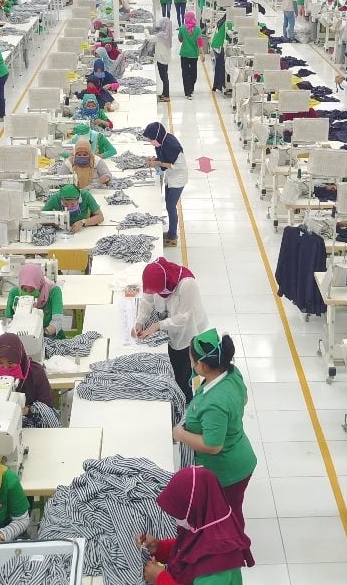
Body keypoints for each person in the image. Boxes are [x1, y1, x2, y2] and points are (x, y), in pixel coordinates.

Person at [171, 330, 257, 526]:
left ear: (201, 365)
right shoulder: (232, 374)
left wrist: (180, 434)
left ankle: (234, 552)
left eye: (192, 361)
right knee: (230, 511)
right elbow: (243, 400)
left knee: (225, 518)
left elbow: (213, 445)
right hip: (239, 453)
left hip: (227, 470)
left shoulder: (214, 403)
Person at [136, 465, 254, 585]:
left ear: (193, 508)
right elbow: (190, 551)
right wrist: (159, 548)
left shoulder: (215, 567)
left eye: (178, 512)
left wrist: (160, 579)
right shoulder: (206, 525)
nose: (174, 517)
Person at [134, 258, 209, 402]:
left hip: (187, 331)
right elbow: (147, 301)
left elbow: (183, 317)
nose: (157, 293)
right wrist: (140, 321)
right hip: (169, 322)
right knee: (170, 367)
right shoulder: (154, 279)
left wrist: (157, 326)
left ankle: (185, 402)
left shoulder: (187, 284)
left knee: (182, 373)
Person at [0, 332, 56, 417]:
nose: (5, 368)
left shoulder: (36, 372)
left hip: (31, 421)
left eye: (11, 363)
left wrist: (28, 410)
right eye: (0, 363)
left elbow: (48, 406)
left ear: (19, 358)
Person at [143, 122, 189, 248]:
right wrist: (155, 159)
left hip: (178, 178)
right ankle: (170, 232)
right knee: (169, 205)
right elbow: (163, 157)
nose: (151, 141)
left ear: (156, 136)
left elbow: (177, 165)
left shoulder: (172, 146)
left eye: (151, 139)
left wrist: (158, 163)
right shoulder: (162, 141)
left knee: (170, 206)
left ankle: (173, 236)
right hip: (171, 177)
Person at [3, 263, 64, 336]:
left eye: (32, 290)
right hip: (21, 336)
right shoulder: (15, 293)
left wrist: (41, 334)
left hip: (51, 337)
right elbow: (8, 320)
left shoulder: (54, 291)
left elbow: (57, 322)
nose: (28, 293)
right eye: (24, 289)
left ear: (40, 285)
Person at [177, 11, 203, 99]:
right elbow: (199, 42)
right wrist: (202, 54)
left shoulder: (182, 28)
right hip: (194, 55)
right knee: (193, 73)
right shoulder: (198, 29)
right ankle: (190, 88)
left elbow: (180, 39)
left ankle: (187, 92)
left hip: (184, 54)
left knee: (185, 73)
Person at [149, 19, 173, 103]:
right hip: (165, 58)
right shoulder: (168, 34)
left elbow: (149, 38)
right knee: (164, 76)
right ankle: (164, 93)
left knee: (164, 77)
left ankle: (166, 96)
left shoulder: (161, 35)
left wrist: (145, 30)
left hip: (161, 58)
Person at [210, 17, 232, 93]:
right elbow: (230, 34)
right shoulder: (229, 22)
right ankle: (220, 84)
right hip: (220, 45)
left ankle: (216, 85)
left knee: (218, 66)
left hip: (216, 44)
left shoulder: (223, 20)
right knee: (221, 66)